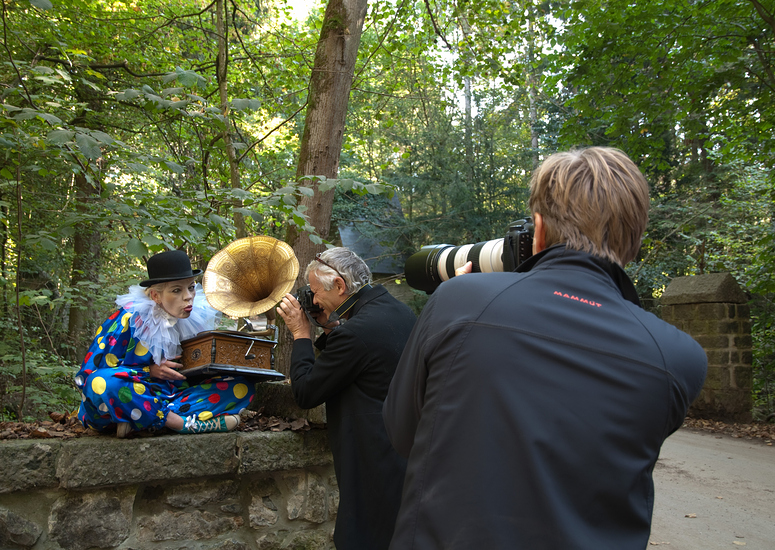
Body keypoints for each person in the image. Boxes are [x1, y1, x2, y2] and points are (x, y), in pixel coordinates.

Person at [382, 147, 708, 549]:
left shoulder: (458, 301)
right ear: (634, 240)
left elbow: (403, 432)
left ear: (537, 227)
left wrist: (454, 301)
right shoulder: (678, 358)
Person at [276, 247, 416, 550]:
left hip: (371, 462)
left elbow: (305, 392)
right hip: (405, 455)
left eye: (315, 292)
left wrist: (301, 333)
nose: (313, 301)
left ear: (339, 286)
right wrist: (329, 322)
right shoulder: (398, 310)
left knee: (361, 538)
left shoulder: (354, 334)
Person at [75, 249, 255, 437]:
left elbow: (193, 371)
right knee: (102, 383)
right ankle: (180, 423)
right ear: (155, 296)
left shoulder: (193, 317)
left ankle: (142, 420)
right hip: (131, 394)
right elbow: (88, 376)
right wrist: (148, 370)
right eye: (177, 290)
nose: (188, 296)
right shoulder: (129, 319)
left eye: (191, 287)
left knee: (242, 385)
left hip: (171, 395)